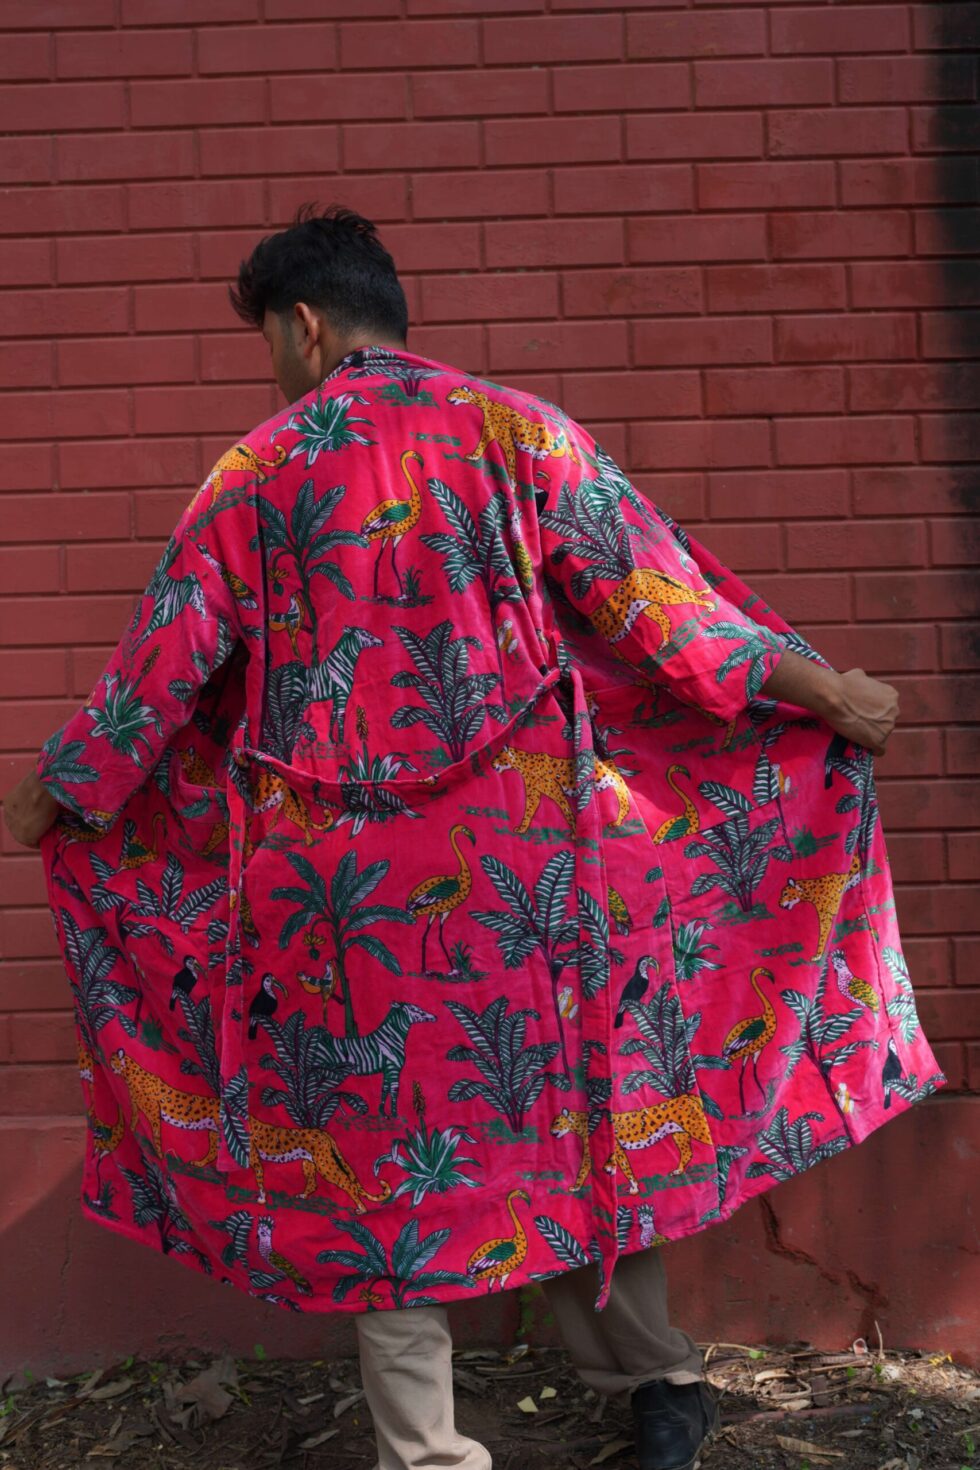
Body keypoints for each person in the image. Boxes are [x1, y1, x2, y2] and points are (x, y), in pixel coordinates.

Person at [2, 206, 945, 1470]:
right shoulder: (521, 433)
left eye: (270, 341)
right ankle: (656, 1382)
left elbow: (156, 675)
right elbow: (662, 610)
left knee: (379, 1152)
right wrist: (822, 694)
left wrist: (57, 794)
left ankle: (428, 1451)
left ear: (302, 326)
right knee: (565, 1112)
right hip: (525, 883)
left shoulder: (255, 474)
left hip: (339, 905)